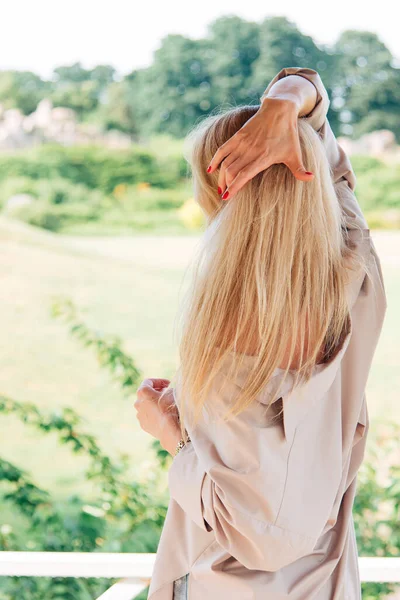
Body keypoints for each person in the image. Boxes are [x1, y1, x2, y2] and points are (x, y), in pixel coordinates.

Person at [134, 67, 387, 600]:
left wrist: (173, 435)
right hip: (326, 582)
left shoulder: (236, 337)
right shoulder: (353, 273)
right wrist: (284, 105)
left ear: (224, 188)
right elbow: (325, 154)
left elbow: (265, 536)